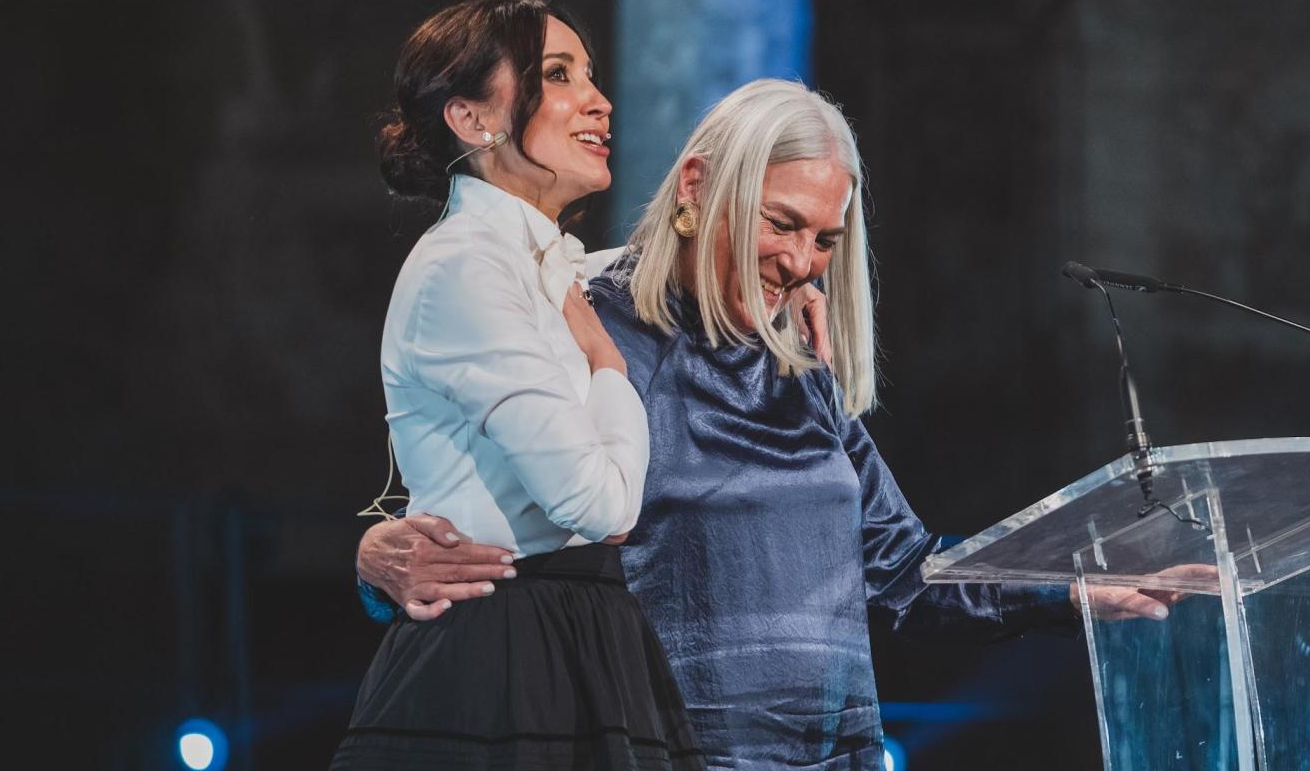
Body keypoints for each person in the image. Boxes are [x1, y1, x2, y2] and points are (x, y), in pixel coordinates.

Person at [358, 79, 1185, 769]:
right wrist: (373, 558)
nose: (800, 262)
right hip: (661, 749)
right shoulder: (586, 325)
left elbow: (901, 575)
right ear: (694, 186)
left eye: (825, 239)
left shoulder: (798, 366)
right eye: (780, 222)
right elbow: (482, 512)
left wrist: (1075, 585)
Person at [332, 0, 703, 771]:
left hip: (583, 637)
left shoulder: (553, 267)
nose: (600, 101)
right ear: (473, 119)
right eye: (559, 75)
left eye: (591, 75)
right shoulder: (465, 265)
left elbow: (686, 276)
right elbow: (600, 506)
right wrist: (608, 365)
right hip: (504, 653)